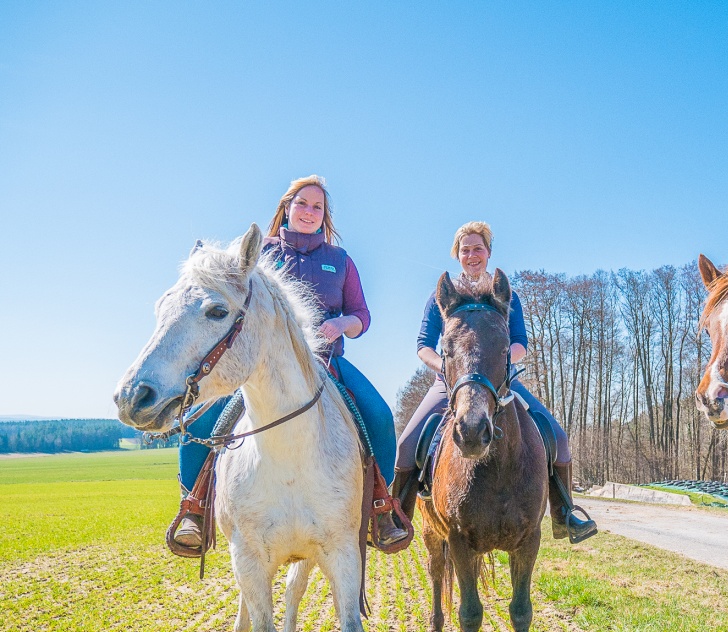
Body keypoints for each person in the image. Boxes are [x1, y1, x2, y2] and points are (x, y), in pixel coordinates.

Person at [172, 175, 407, 549]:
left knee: (378, 415)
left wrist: (341, 323)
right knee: (201, 417)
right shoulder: (260, 252)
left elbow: (361, 315)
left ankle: (381, 505)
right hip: (259, 366)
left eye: (318, 207)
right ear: (286, 207)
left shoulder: (340, 261)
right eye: (302, 204)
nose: (309, 212)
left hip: (327, 363)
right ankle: (194, 508)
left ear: (325, 216)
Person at [390, 221, 597, 544]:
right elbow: (423, 345)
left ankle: (564, 515)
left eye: (478, 249)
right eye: (465, 250)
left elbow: (520, 343)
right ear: (457, 255)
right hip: (450, 381)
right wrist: (445, 367)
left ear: (488, 253)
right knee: (406, 446)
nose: (472, 255)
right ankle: (397, 521)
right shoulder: (440, 296)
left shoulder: (504, 294)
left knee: (557, 437)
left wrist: (497, 366)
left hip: (499, 381)